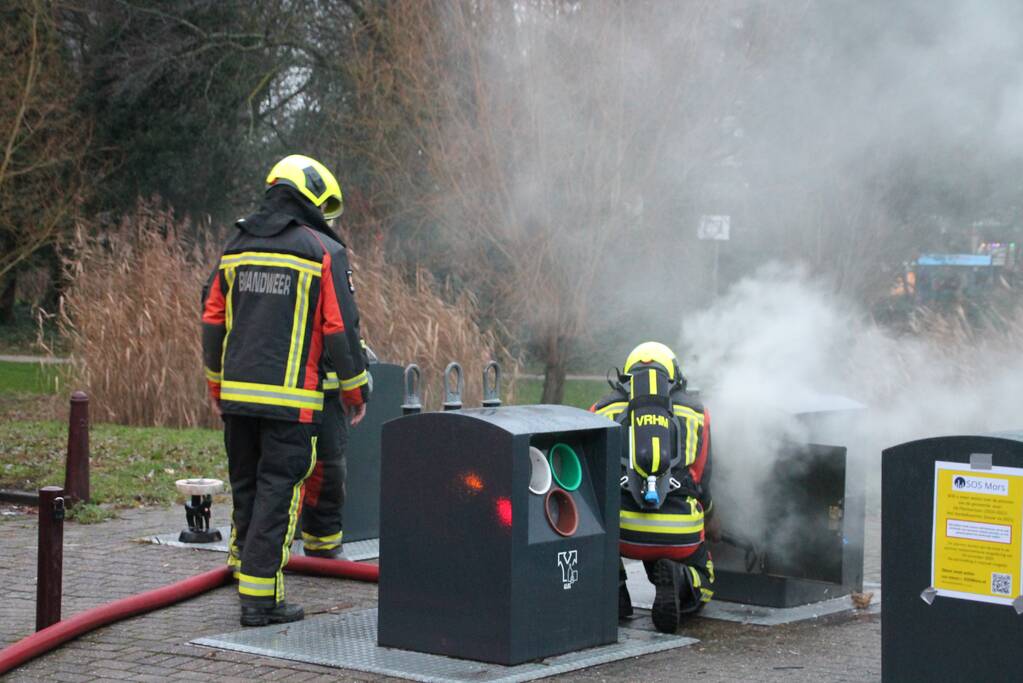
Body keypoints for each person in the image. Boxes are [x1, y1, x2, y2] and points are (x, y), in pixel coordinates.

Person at [201, 154, 370, 626]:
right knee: (280, 490)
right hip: (292, 402)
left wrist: (216, 383)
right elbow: (341, 329)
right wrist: (356, 390)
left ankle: (242, 565)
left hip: (237, 396)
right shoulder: (322, 250)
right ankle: (261, 599)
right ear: (314, 196)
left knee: (247, 483)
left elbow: (213, 318)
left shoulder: (236, 246)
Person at [589, 341, 718, 633]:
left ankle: (615, 591)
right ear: (675, 375)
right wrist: (709, 519)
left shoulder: (602, 408)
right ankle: (682, 578)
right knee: (706, 576)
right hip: (678, 535)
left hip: (622, 533)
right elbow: (702, 479)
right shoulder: (697, 413)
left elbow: (593, 474)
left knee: (598, 528)